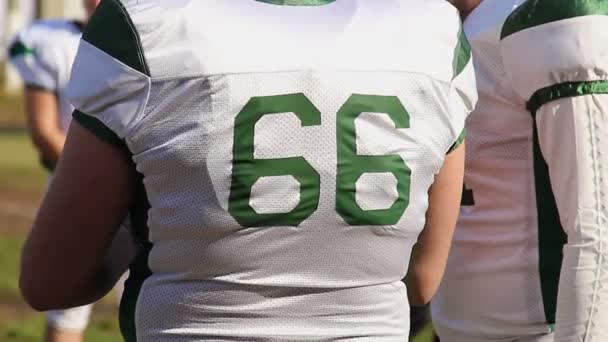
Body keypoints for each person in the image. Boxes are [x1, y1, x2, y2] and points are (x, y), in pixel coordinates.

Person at [19, 0, 476, 340]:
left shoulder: (146, 23)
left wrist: (147, 222)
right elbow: (422, 280)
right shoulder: (432, 30)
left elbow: (48, 282)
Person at [432, 0, 608, 341]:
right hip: (456, 325)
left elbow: (598, 228)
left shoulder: (546, 15)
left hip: (543, 331)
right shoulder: (440, 25)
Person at [8, 1, 109, 342]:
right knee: (64, 304)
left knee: (162, 303)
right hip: (79, 186)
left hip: (151, 188)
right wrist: (102, 177)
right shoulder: (49, 41)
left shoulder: (160, 36)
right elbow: (44, 132)